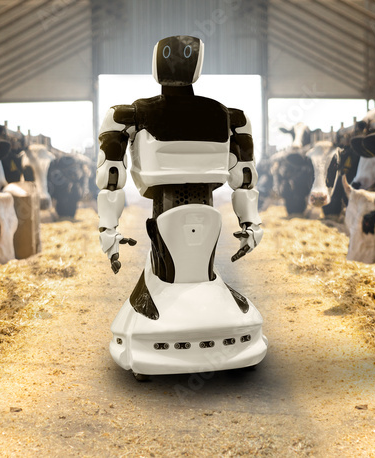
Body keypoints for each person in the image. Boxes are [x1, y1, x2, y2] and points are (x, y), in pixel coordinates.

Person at [97, 35, 267, 378]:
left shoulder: (128, 113)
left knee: (170, 267)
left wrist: (108, 228)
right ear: (199, 66)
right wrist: (251, 224)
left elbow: (112, 175)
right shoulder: (229, 116)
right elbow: (245, 178)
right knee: (200, 267)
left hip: (162, 209)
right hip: (208, 208)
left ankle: (161, 338)